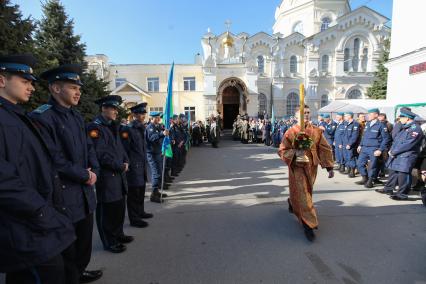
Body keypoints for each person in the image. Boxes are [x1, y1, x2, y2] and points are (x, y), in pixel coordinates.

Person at [0, 54, 75, 283]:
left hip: (36, 221)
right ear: (2, 80)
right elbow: (4, 182)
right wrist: (42, 212)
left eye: (32, 82)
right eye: (24, 81)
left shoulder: (16, 116)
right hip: (25, 225)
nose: (32, 87)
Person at [29, 64, 102, 283]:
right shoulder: (42, 117)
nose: (78, 91)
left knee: (84, 242)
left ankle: (79, 273)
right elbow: (54, 158)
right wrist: (84, 174)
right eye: (72, 87)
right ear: (55, 88)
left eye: (78, 87)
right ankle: (72, 276)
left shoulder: (77, 117)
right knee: (67, 248)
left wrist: (94, 171)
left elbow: (89, 148)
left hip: (85, 192)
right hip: (63, 195)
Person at [278, 104, 334, 242]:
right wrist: (295, 153)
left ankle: (292, 201)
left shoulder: (316, 131)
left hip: (312, 166)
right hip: (297, 167)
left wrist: (329, 167)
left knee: (307, 191)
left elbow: (324, 148)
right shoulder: (290, 132)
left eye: (308, 112)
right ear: (297, 115)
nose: (307, 115)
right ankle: (308, 224)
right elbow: (282, 150)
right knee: (303, 193)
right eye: (304, 113)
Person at [88, 95, 133, 253]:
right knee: (107, 211)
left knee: (119, 208)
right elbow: (100, 155)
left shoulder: (113, 126)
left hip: (119, 174)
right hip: (107, 177)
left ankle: (118, 233)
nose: (115, 111)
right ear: (103, 109)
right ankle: (109, 241)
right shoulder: (95, 127)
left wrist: (126, 161)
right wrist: (120, 166)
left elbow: (119, 148)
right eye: (112, 108)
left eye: (116, 108)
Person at [120, 103, 154, 228]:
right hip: (133, 167)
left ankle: (141, 212)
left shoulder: (141, 128)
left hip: (142, 165)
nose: (143, 116)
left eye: (144, 113)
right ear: (134, 115)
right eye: (140, 113)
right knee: (134, 193)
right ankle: (134, 218)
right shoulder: (128, 129)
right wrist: (128, 164)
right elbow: (125, 150)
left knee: (141, 191)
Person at [378, 109, 425, 199]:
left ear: (407, 118)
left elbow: (408, 144)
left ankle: (402, 194)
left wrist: (394, 151)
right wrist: (391, 150)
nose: (400, 120)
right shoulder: (405, 128)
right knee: (394, 172)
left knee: (404, 174)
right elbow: (397, 141)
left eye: (401, 118)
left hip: (407, 155)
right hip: (398, 155)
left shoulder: (415, 129)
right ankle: (391, 189)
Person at [355, 108, 390, 188]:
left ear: (376, 115)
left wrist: (380, 150)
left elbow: (386, 139)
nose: (368, 116)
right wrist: (360, 145)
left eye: (370, 114)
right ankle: (365, 177)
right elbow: (364, 136)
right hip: (364, 148)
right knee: (359, 163)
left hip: (374, 148)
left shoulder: (381, 125)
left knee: (373, 166)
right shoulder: (368, 124)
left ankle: (371, 180)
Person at [146, 111, 169, 203]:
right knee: (156, 174)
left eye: (159, 117)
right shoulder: (150, 127)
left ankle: (157, 192)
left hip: (158, 152)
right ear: (152, 118)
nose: (158, 119)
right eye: (156, 117)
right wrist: (162, 134)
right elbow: (152, 138)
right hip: (151, 153)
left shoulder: (158, 126)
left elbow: (161, 138)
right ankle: (153, 195)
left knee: (159, 172)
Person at [342, 112, 360, 178]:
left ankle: (352, 171)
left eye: (345, 116)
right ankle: (349, 170)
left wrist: (350, 144)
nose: (344, 117)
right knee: (346, 157)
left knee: (351, 157)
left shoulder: (355, 124)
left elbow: (355, 136)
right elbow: (344, 134)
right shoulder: (346, 123)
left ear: (350, 116)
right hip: (345, 144)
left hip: (350, 145)